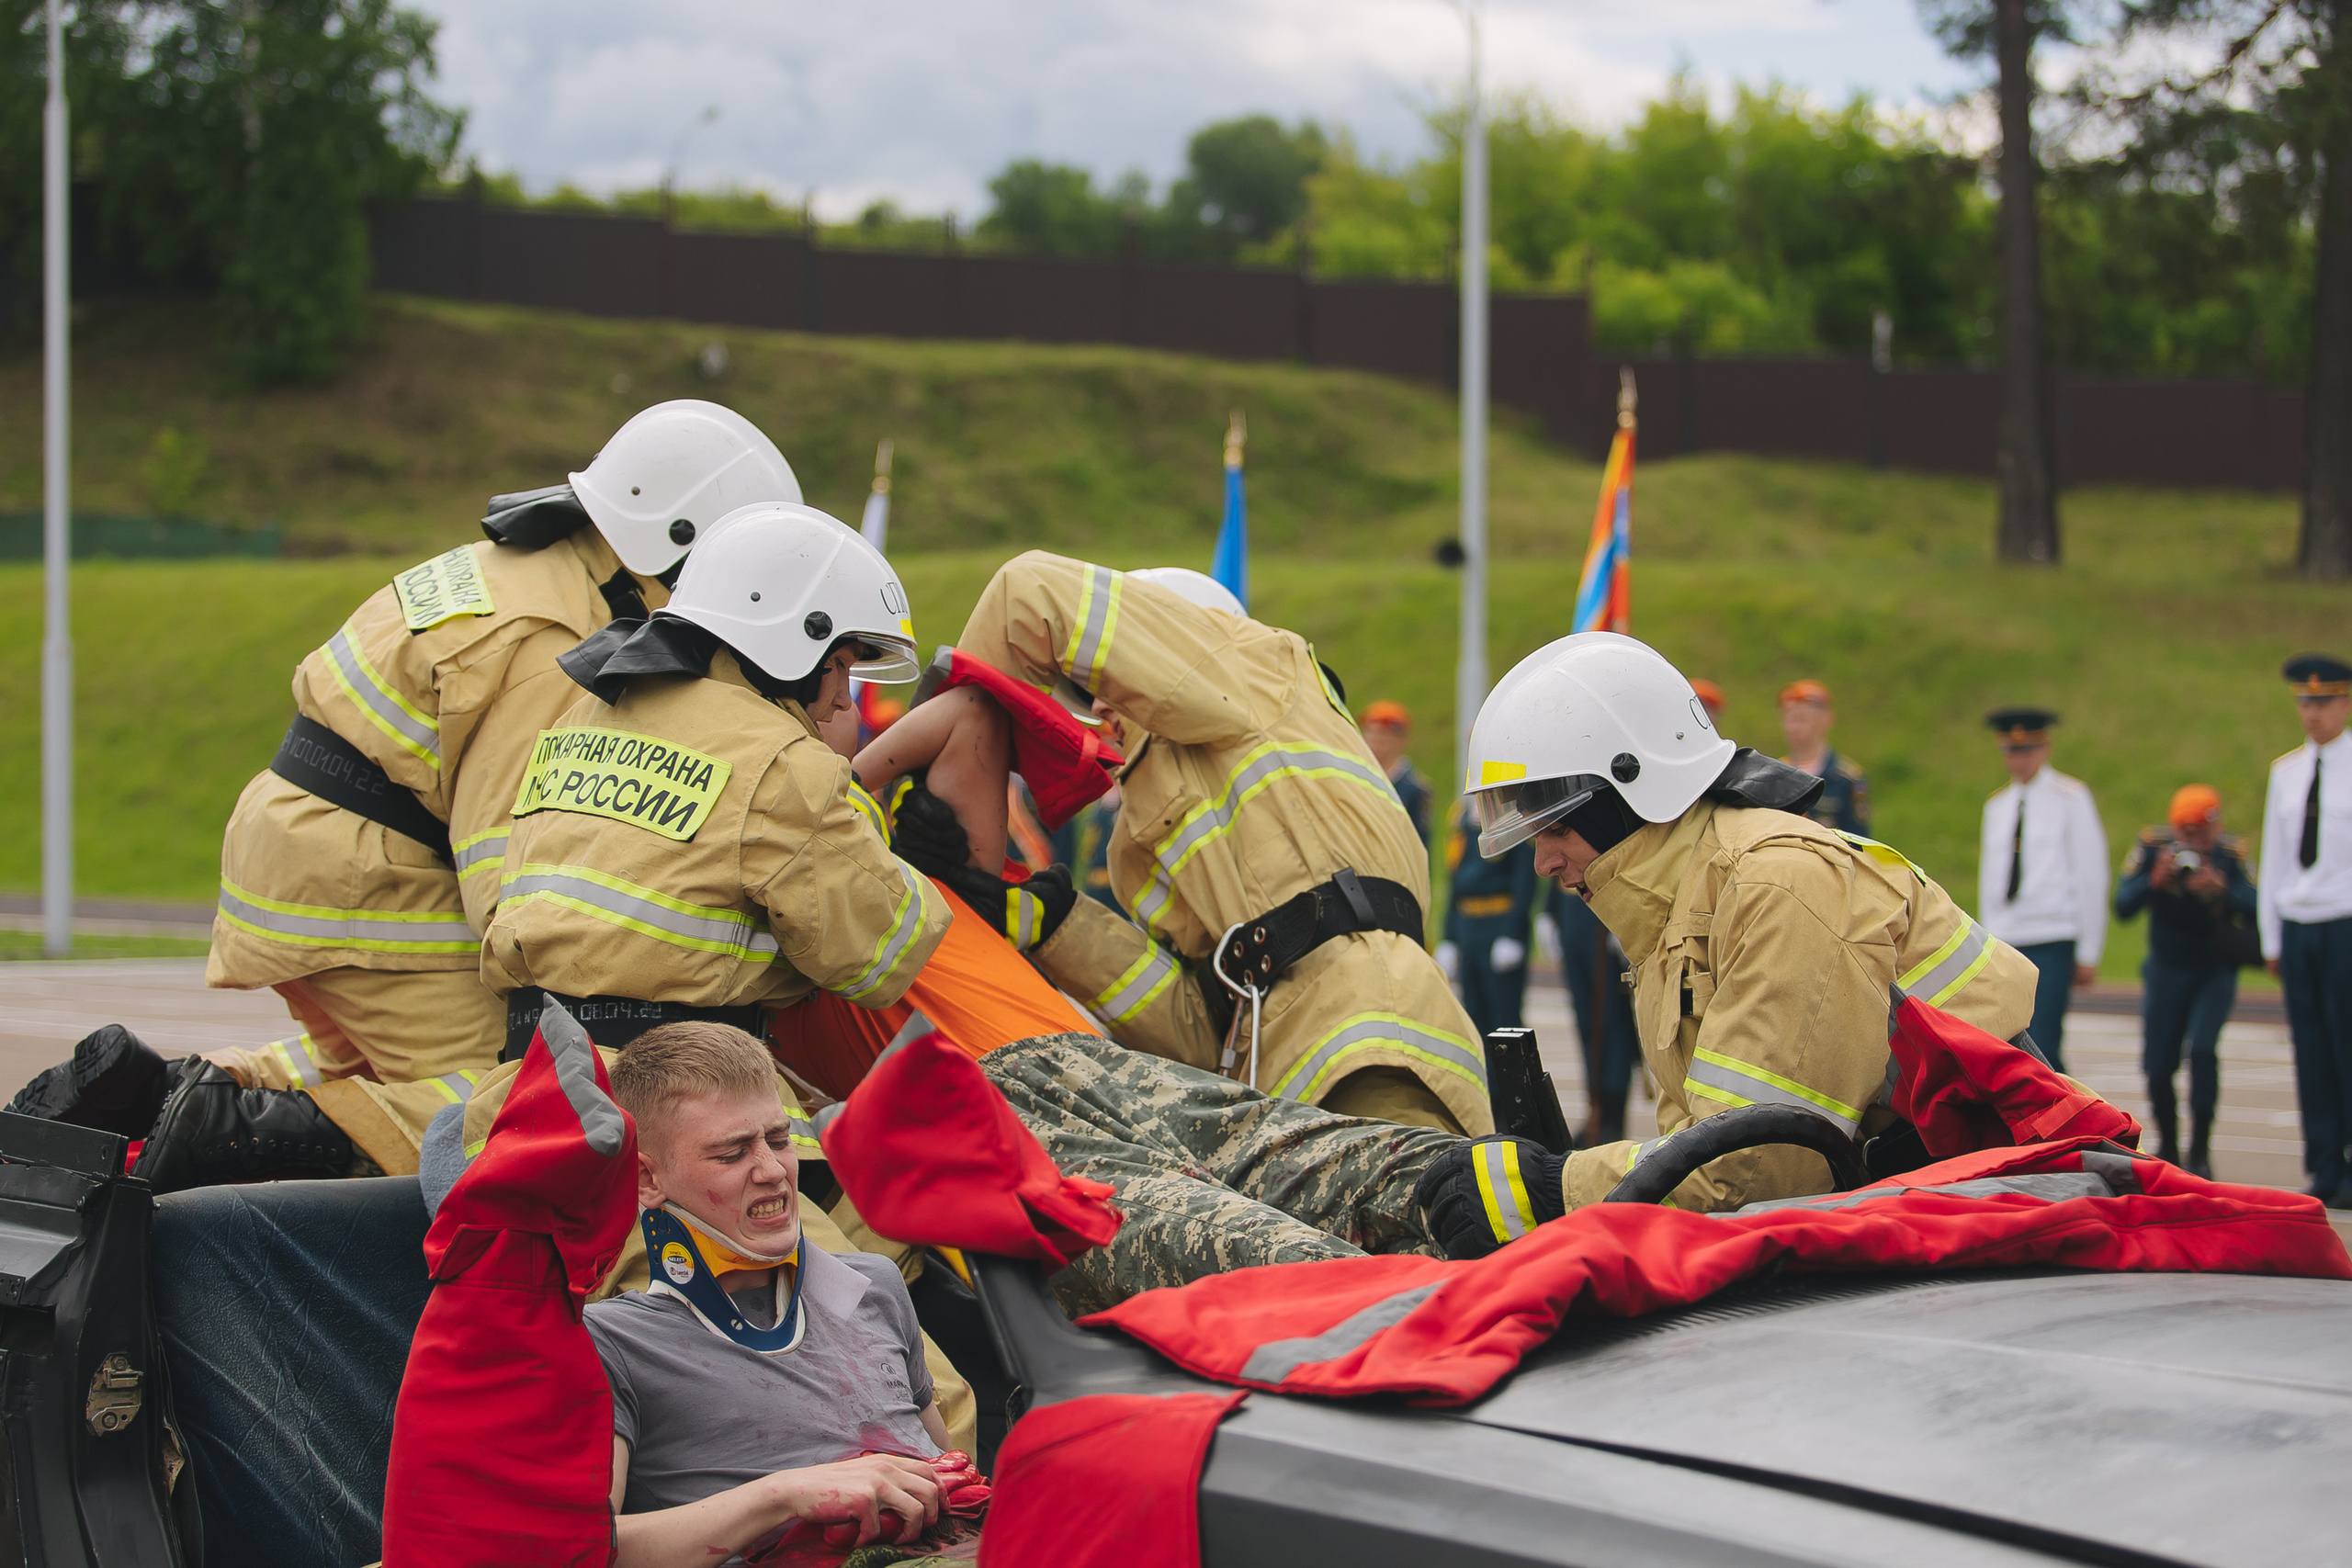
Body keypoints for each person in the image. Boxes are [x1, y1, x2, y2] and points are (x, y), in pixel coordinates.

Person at [6, 401, 806, 1190]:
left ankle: (157, 1095)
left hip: (313, 855)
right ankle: (227, 1132)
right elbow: (512, 860)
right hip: (368, 885)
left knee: (369, 1068)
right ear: (680, 544)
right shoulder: (554, 642)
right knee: (521, 1093)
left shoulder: (518, 572)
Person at [1406, 632, 2045, 1250]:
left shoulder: (1777, 883)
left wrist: (1551, 1190)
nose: (1543, 862)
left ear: (1627, 791)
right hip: (1931, 1210)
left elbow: (1758, 1168)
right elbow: (1704, 1143)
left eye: (1556, 832)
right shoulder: (1679, 907)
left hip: (2005, 1211)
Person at [912, 555, 1491, 1134]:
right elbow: (1199, 1024)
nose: (1096, 706)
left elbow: (1028, 590)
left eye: (1102, 678)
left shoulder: (1252, 664)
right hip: (1295, 1084)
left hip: (1370, 1051)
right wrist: (1048, 921)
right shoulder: (1168, 821)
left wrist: (948, 756)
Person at [590, 1021, 967, 1562]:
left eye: (777, 1140)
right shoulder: (611, 1341)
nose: (772, 1171)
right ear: (647, 1180)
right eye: (731, 1153)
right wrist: (784, 1496)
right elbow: (582, 1551)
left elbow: (951, 1474)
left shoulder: (872, 1285)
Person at [2113, 784, 2257, 1177]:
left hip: (2214, 969)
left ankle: (2201, 1149)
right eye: (2187, 833)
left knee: (2205, 1050)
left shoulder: (2230, 856)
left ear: (2217, 827)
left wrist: (2222, 889)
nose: (2195, 842)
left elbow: (2261, 905)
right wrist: (2153, 881)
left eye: (2202, 833)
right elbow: (2122, 906)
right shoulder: (2152, 848)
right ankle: (2171, 1143)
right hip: (2166, 968)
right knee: (2158, 1065)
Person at [2259, 653, 2352, 1207]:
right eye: (2304, 703)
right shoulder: (2286, 771)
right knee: (2311, 1047)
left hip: (2345, 920)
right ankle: (2323, 1163)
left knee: (2348, 1043)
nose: (2311, 713)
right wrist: (2272, 935)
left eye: (2322, 702)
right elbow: (2275, 857)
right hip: (2299, 922)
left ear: (2344, 703)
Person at [1977, 706, 2109, 1073]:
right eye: (2010, 750)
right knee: (2009, 1044)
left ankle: (2060, 1124)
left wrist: (2089, 950)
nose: (2019, 758)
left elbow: (2090, 876)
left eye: (2027, 749)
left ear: (2045, 748)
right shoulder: (1997, 805)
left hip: (2052, 937)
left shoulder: (2071, 798)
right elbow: (1990, 882)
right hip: (2007, 939)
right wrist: (1985, 945)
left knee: (2044, 1044)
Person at [1542, 883, 1641, 1146]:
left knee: (1612, 1023)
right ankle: (1594, 1110)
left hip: (1602, 915)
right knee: (1586, 1022)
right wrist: (1550, 910)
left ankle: (1611, 1118)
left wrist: (1624, 917)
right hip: (1572, 911)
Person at [1437, 799, 1538, 1040]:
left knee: (1504, 1021)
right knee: (1474, 1017)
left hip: (1499, 924)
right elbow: (1455, 880)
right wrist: (1449, 936)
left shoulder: (1512, 812)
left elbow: (1524, 878)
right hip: (1468, 927)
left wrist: (1513, 933)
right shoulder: (1461, 816)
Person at [1777, 679, 1870, 836]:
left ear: (1826, 719)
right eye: (1788, 719)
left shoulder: (1846, 779)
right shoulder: (1775, 775)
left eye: (1801, 719)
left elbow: (1858, 841)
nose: (1792, 727)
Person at [1360, 700, 1434, 847]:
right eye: (1370, 734)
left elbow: (1419, 842)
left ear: (1400, 740)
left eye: (1381, 736)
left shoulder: (1414, 789)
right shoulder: (1357, 779)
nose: (1373, 742)